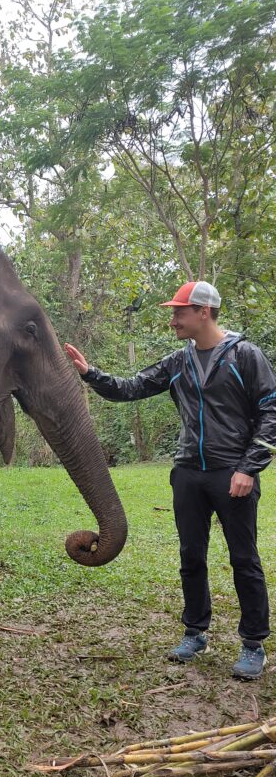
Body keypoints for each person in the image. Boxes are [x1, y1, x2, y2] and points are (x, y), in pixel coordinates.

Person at [65, 281, 276, 680]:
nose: (173, 319)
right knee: (191, 556)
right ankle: (195, 633)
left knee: (244, 559)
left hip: (232, 473)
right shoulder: (178, 361)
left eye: (179, 311)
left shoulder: (245, 355)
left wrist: (249, 468)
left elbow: (271, 411)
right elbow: (131, 388)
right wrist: (91, 374)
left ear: (204, 312)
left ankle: (253, 644)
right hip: (188, 473)